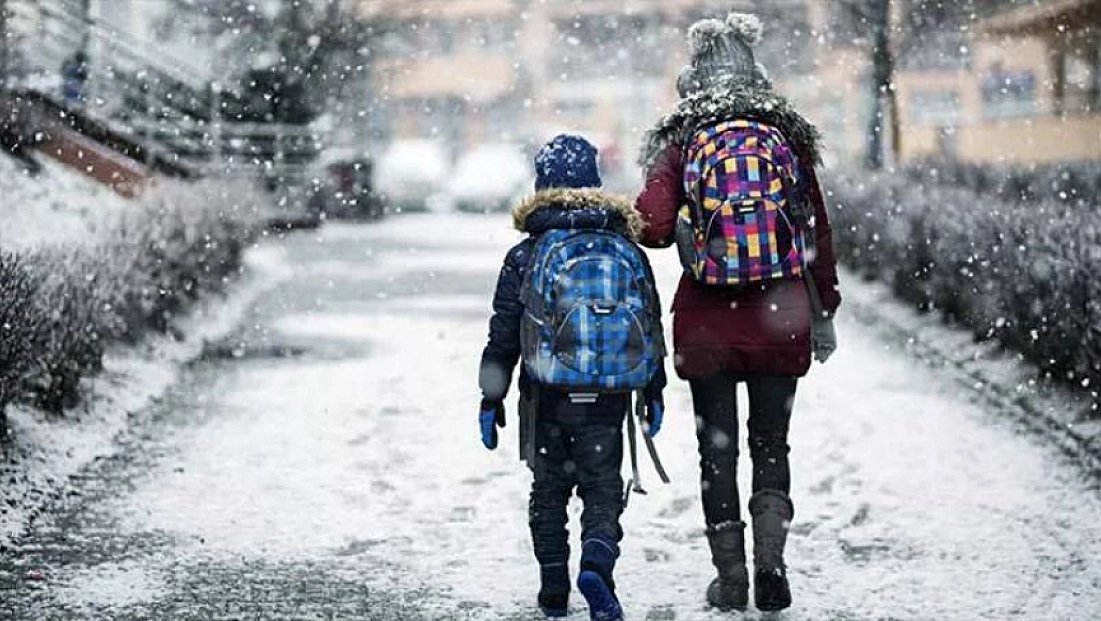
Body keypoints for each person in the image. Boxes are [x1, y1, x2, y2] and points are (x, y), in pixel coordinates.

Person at [634, 13, 842, 613]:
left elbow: (648, 224)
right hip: (781, 314)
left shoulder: (683, 140)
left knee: (717, 451)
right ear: (757, 76)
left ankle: (731, 579)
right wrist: (822, 306)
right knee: (771, 444)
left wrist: (678, 221)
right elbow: (817, 234)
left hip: (708, 324)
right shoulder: (786, 138)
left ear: (693, 80)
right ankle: (771, 562)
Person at [478, 134, 667, 621]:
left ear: (541, 183)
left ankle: (554, 587)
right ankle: (598, 564)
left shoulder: (526, 253)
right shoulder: (624, 246)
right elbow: (649, 322)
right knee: (603, 488)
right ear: (595, 182)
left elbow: (503, 335)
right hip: (607, 396)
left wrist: (490, 398)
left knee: (549, 491)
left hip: (546, 396)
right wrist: (653, 390)